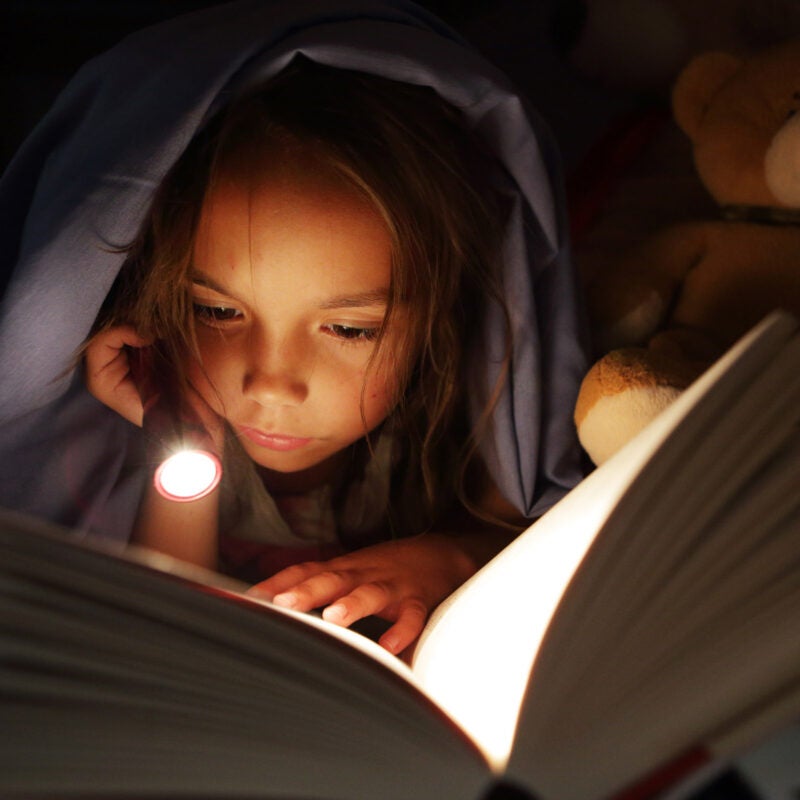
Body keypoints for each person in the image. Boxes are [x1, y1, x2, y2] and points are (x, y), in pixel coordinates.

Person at [0, 0, 588, 654]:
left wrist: (447, 559)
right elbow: (163, 629)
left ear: (439, 318)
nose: (272, 384)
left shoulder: (460, 421)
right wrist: (183, 435)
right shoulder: (123, 442)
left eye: (348, 330)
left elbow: (524, 526)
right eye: (218, 312)